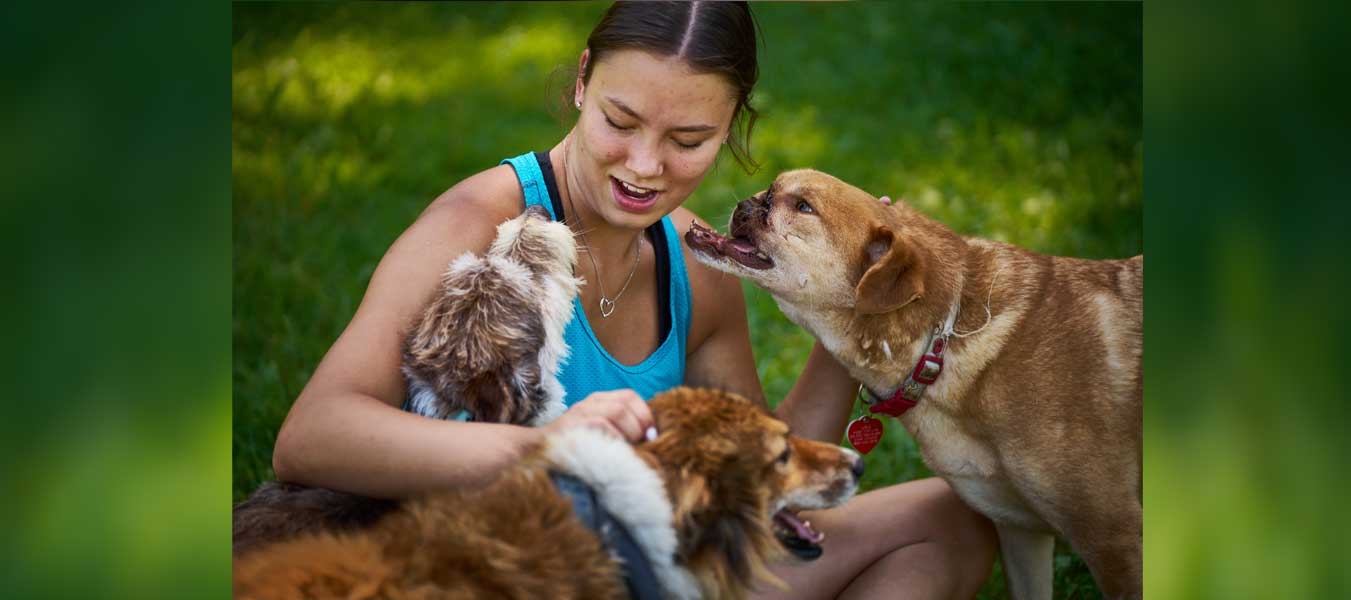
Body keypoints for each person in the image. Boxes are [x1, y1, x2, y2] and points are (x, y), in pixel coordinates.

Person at [271, 2, 997, 597]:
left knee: (950, 519)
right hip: (493, 573)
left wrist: (852, 308)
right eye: (620, 123)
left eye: (688, 138)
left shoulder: (693, 259)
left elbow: (758, 470)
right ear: (583, 80)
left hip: (645, 569)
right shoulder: (474, 226)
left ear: (733, 124)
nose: (645, 167)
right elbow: (312, 437)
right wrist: (545, 449)